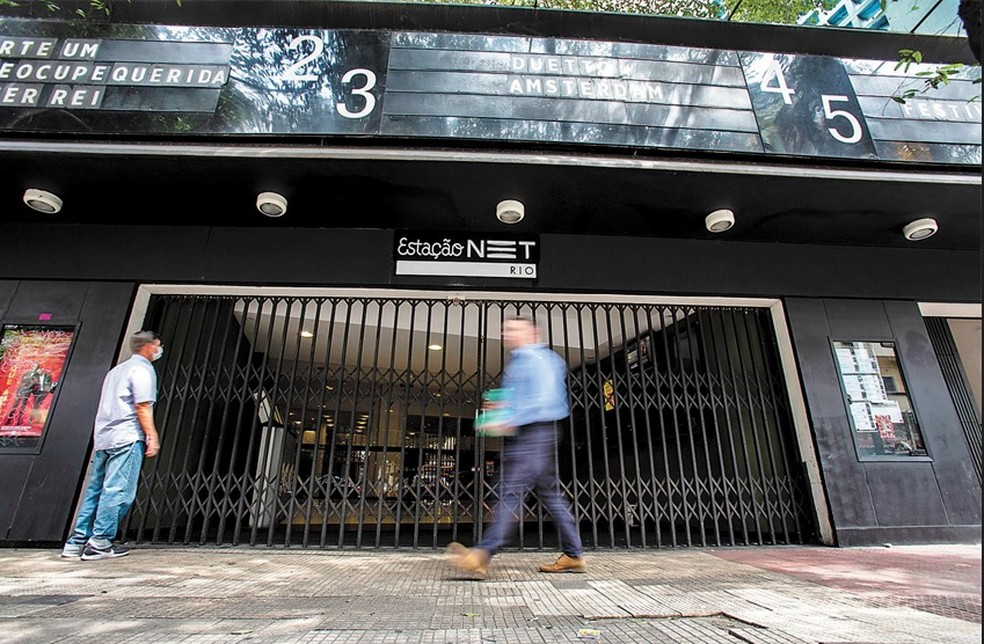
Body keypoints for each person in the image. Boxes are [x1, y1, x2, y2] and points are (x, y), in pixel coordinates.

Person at [446, 317, 585, 579]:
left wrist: (511, 416)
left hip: (535, 432)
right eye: (505, 330)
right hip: (533, 433)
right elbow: (521, 398)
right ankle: (573, 554)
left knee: (509, 491)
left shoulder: (540, 360)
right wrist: (501, 409)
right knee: (550, 495)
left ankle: (482, 554)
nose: (507, 334)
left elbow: (544, 400)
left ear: (533, 332)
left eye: (514, 329)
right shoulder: (521, 361)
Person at [61, 331, 163, 560]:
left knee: (95, 490)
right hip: (126, 437)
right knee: (119, 491)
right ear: (149, 346)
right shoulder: (143, 370)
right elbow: (142, 406)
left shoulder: (116, 371)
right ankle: (99, 542)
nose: (159, 350)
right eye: (158, 345)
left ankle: (76, 542)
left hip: (104, 438)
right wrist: (152, 436)